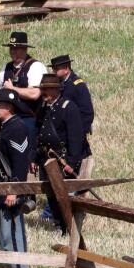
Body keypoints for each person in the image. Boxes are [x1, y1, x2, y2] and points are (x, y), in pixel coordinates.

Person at [0, 89, 35, 265]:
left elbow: (20, 163)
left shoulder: (17, 128)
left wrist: (14, 191)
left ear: (11, 107)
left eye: (1, 105)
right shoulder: (4, 127)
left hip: (9, 188)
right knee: (4, 234)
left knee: (12, 233)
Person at [36, 73, 87, 231]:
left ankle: (68, 228)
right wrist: (34, 158)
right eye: (43, 89)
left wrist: (71, 163)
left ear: (56, 90)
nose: (44, 93)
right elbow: (37, 134)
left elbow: (76, 139)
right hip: (46, 159)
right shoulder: (43, 108)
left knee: (64, 196)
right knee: (51, 195)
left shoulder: (68, 107)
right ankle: (58, 224)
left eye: (48, 89)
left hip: (62, 159)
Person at [0, 30, 44, 136]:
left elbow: (34, 94)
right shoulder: (5, 68)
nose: (12, 51)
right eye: (11, 48)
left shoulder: (36, 66)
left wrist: (12, 89)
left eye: (16, 48)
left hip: (28, 120)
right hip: (6, 121)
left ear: (25, 49)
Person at [49, 53, 94, 172]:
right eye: (53, 69)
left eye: (57, 69)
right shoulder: (58, 84)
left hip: (75, 136)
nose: (54, 71)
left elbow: (87, 113)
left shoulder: (77, 85)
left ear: (66, 68)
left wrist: (77, 132)